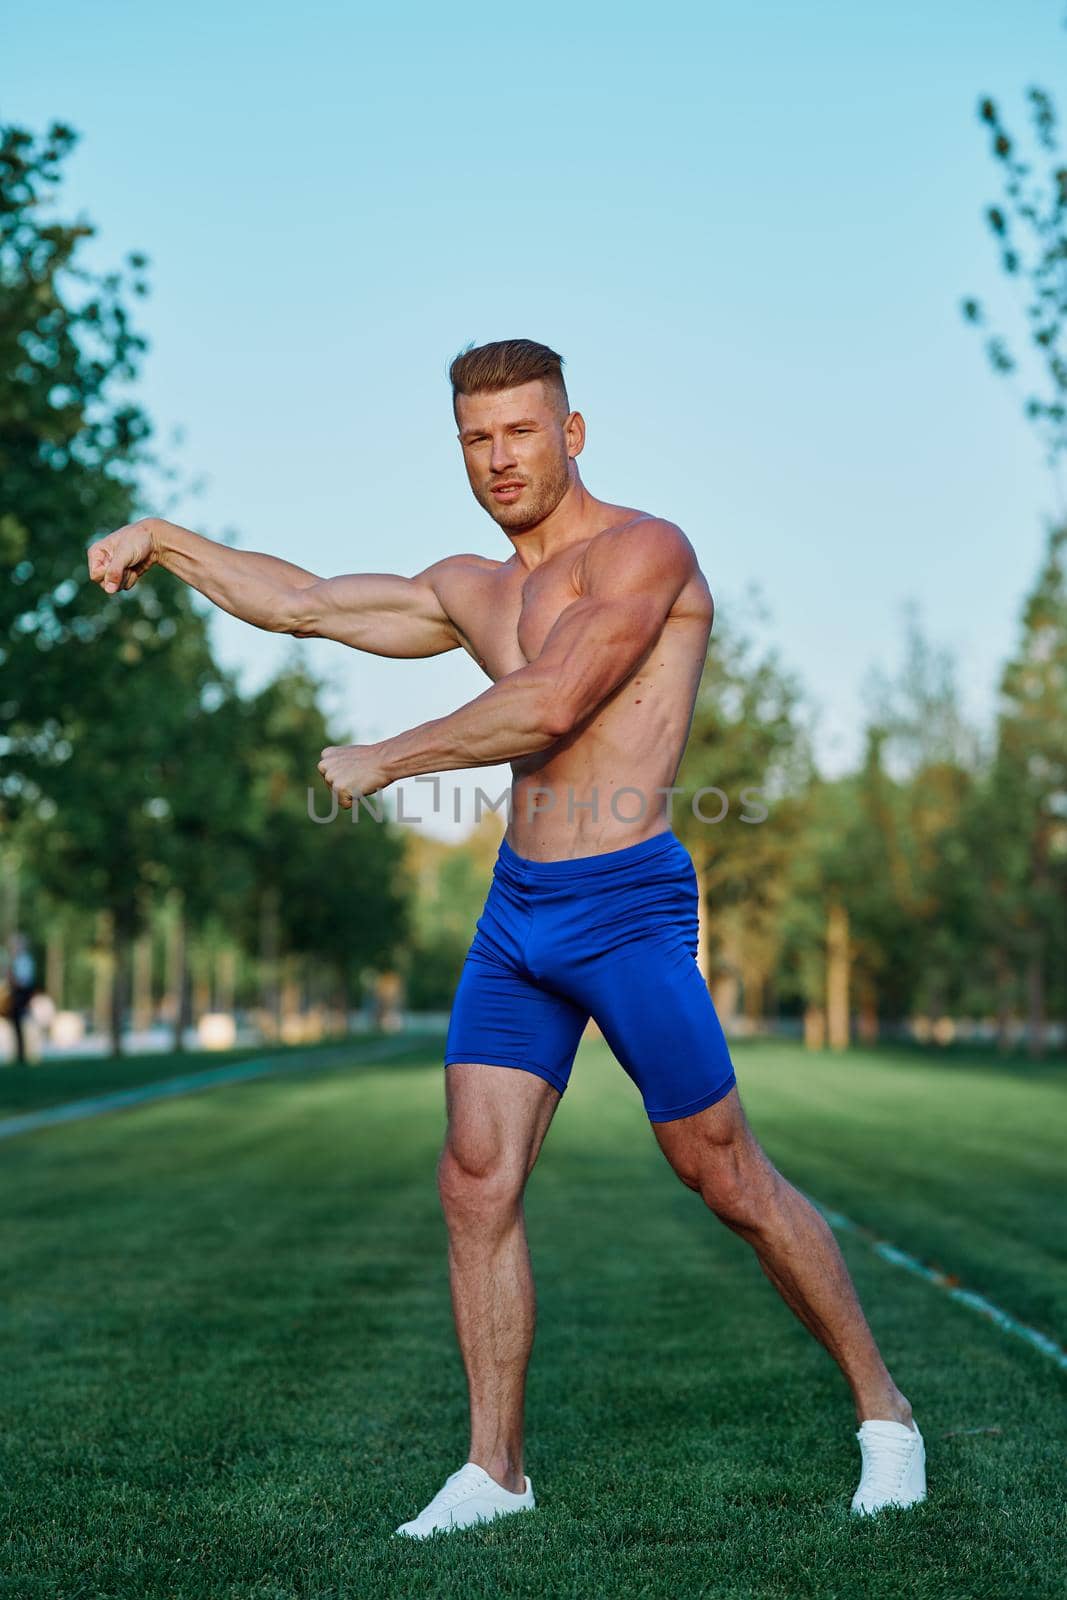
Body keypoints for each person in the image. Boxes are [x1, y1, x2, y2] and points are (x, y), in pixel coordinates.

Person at [87, 337, 925, 1535]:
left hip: (627, 904)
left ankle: (885, 1417)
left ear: (570, 432)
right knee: (474, 1179)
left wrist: (389, 757)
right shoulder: (472, 587)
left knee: (721, 1171)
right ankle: (495, 1472)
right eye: (476, 439)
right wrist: (164, 541)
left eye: (520, 432)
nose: (498, 458)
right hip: (517, 916)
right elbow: (307, 602)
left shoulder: (644, 552)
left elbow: (554, 698)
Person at [5, 931, 37, 1066]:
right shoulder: (17, 960)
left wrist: (11, 977)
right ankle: (19, 1053)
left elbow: (23, 981)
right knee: (16, 1024)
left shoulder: (24, 960)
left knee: (20, 1023)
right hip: (18, 993)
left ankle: (22, 1054)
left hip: (22, 993)